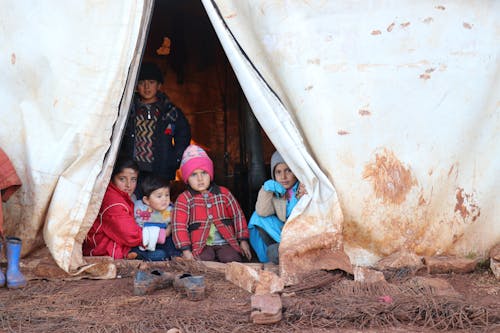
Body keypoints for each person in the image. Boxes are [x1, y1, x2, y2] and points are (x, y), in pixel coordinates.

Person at [119, 61, 191, 196]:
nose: (147, 87)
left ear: (159, 85)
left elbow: (184, 134)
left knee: (158, 205)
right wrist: (122, 160)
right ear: (136, 86)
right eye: (141, 83)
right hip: (132, 171)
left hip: (161, 170)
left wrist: (175, 159)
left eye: (151, 82)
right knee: (134, 204)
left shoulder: (170, 111)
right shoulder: (128, 110)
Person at [172, 145, 252, 263]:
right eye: (193, 174)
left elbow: (237, 216)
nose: (200, 179)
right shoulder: (184, 199)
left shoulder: (224, 193)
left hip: (225, 242)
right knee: (202, 260)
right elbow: (178, 226)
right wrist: (186, 251)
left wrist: (243, 240)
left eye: (204, 173)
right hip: (200, 246)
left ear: (210, 174)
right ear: (187, 179)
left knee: (232, 259)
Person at [83, 158, 168, 261]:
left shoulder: (123, 197)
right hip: (104, 252)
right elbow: (130, 234)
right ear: (112, 178)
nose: (128, 185)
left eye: (133, 179)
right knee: (161, 254)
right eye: (122, 179)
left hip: (120, 246)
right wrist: (162, 234)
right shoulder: (113, 202)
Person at [248, 151, 307, 264]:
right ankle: (276, 253)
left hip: (299, 235)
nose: (283, 177)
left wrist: (302, 196)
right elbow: (262, 211)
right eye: (278, 172)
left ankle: (286, 251)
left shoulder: (302, 187)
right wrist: (267, 189)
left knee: (274, 252)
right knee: (256, 217)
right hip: (283, 233)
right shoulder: (275, 191)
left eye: (288, 170)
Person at [131, 174, 181, 260]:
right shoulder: (139, 208)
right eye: (159, 196)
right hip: (144, 238)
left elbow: (173, 225)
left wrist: (167, 231)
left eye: (167, 195)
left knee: (170, 242)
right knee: (134, 242)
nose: (164, 199)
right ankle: (137, 254)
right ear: (146, 200)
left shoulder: (170, 210)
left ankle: (175, 256)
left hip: (161, 238)